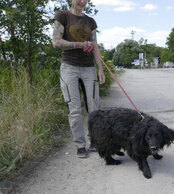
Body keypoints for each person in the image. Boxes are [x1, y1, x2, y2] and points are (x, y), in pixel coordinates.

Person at [52, 0, 105, 158]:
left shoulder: (91, 21)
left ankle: (95, 140)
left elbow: (95, 45)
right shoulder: (63, 16)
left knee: (94, 107)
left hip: (89, 68)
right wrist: (81, 45)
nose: (82, 1)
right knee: (74, 109)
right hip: (69, 67)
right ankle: (80, 145)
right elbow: (56, 42)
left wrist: (100, 68)